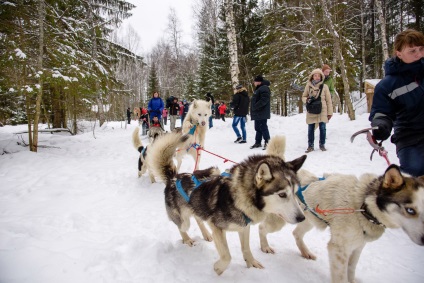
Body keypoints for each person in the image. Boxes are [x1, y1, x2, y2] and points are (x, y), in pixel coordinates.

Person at [369, 29, 424, 177]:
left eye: (421, 49)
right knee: (414, 171)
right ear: (399, 53)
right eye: (412, 51)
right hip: (410, 136)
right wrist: (381, 125)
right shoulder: (388, 85)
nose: (419, 54)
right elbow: (382, 112)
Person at [302, 69, 333, 153]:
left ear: (321, 76)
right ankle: (310, 146)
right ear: (312, 76)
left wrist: (330, 113)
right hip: (311, 110)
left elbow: (328, 100)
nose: (317, 77)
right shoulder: (308, 86)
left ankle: (322, 145)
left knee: (323, 128)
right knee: (310, 128)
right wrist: (307, 100)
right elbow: (303, 96)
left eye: (318, 75)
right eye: (315, 75)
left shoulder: (325, 86)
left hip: (322, 110)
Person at [250, 75, 271, 150]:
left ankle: (268, 141)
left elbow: (264, 100)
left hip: (262, 112)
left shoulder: (264, 88)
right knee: (258, 128)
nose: (254, 83)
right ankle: (258, 142)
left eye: (255, 81)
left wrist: (255, 106)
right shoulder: (259, 88)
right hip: (258, 112)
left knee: (263, 127)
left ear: (258, 82)